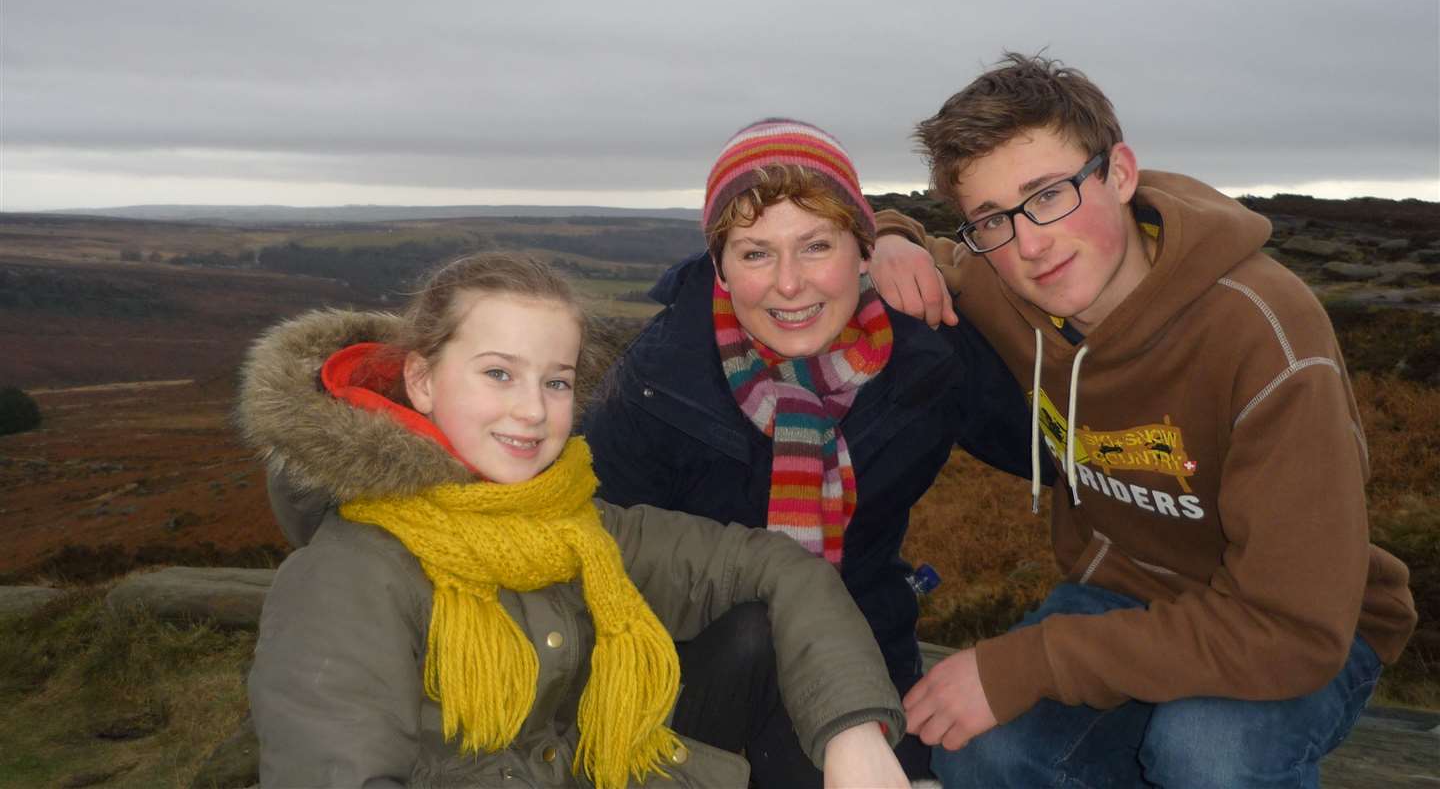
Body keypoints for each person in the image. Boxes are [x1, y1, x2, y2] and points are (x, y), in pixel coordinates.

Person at [867, 53, 1418, 788]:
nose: (1031, 242)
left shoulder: (1266, 334)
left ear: (1119, 173)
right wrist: (890, 236)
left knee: (1206, 754)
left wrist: (1030, 662)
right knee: (978, 749)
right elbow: (905, 244)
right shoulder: (1008, 280)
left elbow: (1293, 630)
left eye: (1050, 194)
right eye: (992, 218)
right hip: (1125, 589)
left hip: (1297, 623)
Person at [239, 251, 911, 789]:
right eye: (499, 374)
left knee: (757, 632)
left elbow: (778, 567)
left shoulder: (572, 522)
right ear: (420, 380)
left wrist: (854, 736)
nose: (532, 410)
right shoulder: (348, 575)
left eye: (555, 381)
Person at [580, 117, 1037, 783]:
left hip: (869, 655)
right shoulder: (657, 385)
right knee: (757, 631)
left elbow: (1068, 446)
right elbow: (584, 557)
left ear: (862, 248)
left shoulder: (923, 357)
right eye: (755, 252)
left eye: (816, 245)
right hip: (689, 677)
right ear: (721, 267)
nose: (789, 285)